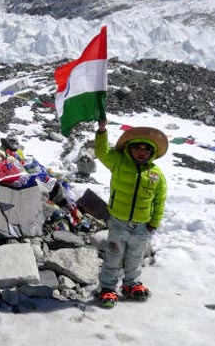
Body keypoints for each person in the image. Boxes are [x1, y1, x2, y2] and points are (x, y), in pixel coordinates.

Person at [94, 119, 168, 308]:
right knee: (113, 256)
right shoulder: (118, 162)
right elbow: (102, 152)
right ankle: (107, 288)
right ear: (129, 148)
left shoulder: (156, 174)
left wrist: (154, 222)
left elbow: (159, 201)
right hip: (119, 222)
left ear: (152, 153)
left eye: (146, 149)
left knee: (135, 258)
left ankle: (131, 284)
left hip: (142, 226)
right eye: (137, 147)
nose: (141, 151)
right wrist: (102, 131)